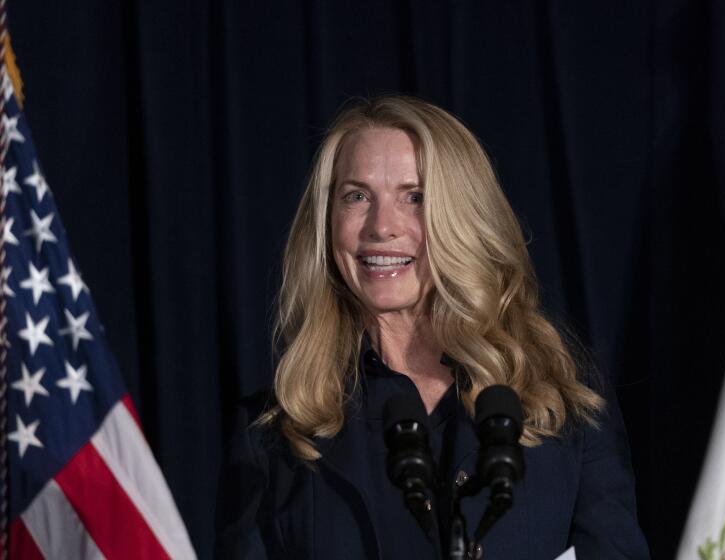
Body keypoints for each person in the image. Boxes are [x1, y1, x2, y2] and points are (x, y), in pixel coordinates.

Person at [214, 96, 649, 559]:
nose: (382, 227)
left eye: (415, 197)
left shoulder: (565, 400)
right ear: (326, 221)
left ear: (462, 217)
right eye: (356, 196)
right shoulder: (272, 433)